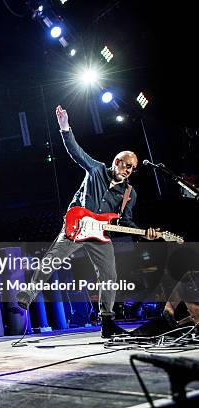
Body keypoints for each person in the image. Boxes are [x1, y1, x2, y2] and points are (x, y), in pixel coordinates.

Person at [16, 105, 159, 338]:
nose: (128, 171)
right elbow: (76, 151)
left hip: (101, 234)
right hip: (77, 226)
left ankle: (107, 323)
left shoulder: (129, 194)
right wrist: (64, 126)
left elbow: (127, 222)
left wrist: (143, 233)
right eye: (126, 165)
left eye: (132, 168)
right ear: (116, 162)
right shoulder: (95, 170)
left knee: (109, 276)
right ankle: (28, 295)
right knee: (52, 259)